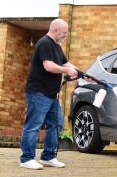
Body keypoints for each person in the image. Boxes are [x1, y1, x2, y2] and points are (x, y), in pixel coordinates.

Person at [20, 19, 79, 169]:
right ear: (55, 30)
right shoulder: (44, 43)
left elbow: (66, 64)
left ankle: (48, 157)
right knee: (33, 125)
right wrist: (67, 71)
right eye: (64, 32)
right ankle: (26, 159)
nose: (66, 35)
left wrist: (83, 74)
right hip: (38, 92)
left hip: (51, 94)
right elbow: (48, 66)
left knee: (56, 123)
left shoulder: (57, 47)